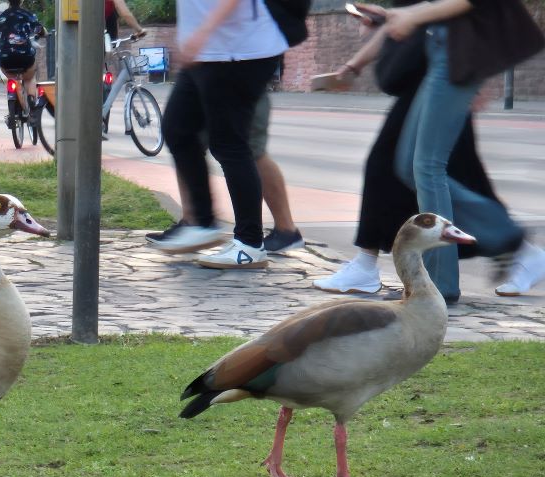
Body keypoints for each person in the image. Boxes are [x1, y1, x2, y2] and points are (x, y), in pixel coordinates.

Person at [312, 12, 507, 295]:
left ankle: (446, 277)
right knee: (422, 170)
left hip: (446, 62)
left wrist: (479, 72)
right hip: (438, 59)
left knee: (418, 168)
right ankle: (511, 248)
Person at [362, 0, 545, 302]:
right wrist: (399, 16)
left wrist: (412, 14)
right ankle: (506, 235)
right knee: (409, 165)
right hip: (441, 44)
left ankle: (439, 284)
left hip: (457, 49)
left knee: (427, 167)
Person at [151, 0, 287, 270]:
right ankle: (202, 222)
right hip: (206, 52)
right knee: (177, 129)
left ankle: (250, 244)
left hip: (236, 52)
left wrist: (203, 32)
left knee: (229, 143)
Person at [149, 92, 304, 255]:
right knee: (185, 141)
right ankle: (193, 221)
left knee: (247, 150)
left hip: (236, 82)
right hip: (207, 82)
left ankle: (282, 230)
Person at [0, 0, 46, 119]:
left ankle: (14, 100)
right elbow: (40, 30)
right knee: (30, 77)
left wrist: (2, 41)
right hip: (25, 57)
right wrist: (42, 33)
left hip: (6, 59)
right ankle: (31, 102)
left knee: (12, 77)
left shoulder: (0, 17)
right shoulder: (29, 15)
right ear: (22, 1)